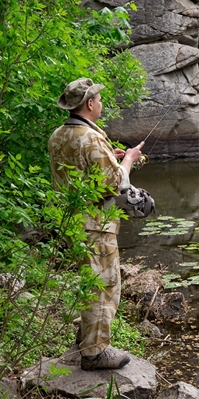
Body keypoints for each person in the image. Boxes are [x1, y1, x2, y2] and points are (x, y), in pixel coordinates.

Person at [48, 77, 142, 371]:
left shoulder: (58, 135)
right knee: (104, 286)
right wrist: (128, 160)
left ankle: (85, 337)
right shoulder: (91, 138)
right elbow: (114, 185)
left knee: (89, 282)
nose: (101, 104)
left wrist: (110, 158)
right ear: (89, 104)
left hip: (71, 222)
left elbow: (80, 170)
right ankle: (95, 352)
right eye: (99, 100)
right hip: (95, 225)